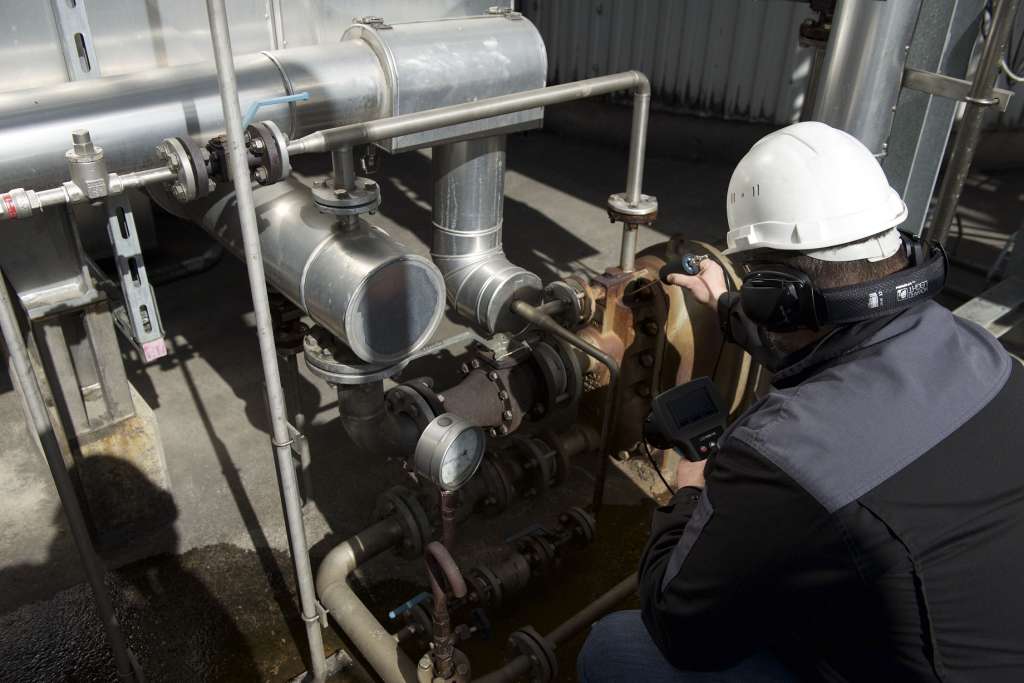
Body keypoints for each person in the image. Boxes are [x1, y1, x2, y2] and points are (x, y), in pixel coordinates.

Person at [577, 121, 1024, 682]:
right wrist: (730, 309)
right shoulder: (986, 355)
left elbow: (677, 623)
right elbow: (839, 331)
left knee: (617, 648)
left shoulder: (784, 457)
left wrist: (688, 493)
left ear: (779, 300)